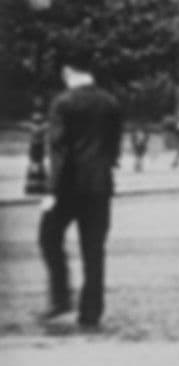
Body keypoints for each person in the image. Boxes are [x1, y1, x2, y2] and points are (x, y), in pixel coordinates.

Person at [38, 56, 124, 329]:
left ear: (67, 70)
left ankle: (61, 297)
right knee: (94, 249)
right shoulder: (110, 102)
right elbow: (114, 146)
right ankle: (91, 311)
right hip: (99, 186)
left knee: (49, 238)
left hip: (68, 187)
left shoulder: (63, 103)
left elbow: (60, 150)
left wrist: (51, 190)